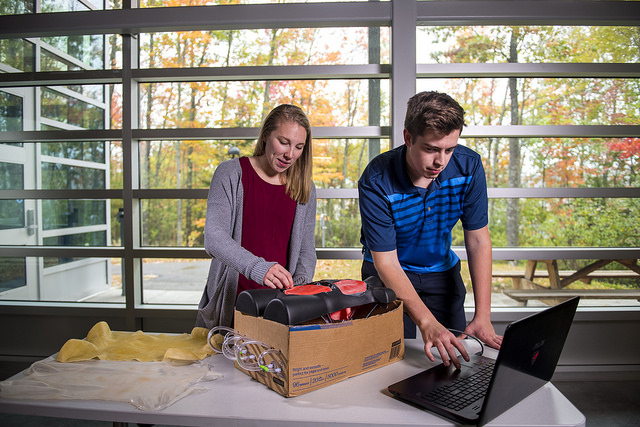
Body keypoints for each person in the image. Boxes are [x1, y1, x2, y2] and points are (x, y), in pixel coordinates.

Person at [358, 91, 502, 369]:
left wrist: (483, 315)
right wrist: (426, 322)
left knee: (452, 362)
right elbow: (386, 261)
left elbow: (478, 240)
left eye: (449, 149)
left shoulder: (469, 166)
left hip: (441, 275)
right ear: (408, 137)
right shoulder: (376, 179)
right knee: (384, 365)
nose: (441, 161)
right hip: (386, 273)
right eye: (432, 149)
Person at [196, 104, 317, 329]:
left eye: (299, 147)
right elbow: (214, 237)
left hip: (279, 308)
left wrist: (298, 292)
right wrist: (259, 269)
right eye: (283, 142)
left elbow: (306, 251)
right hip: (231, 301)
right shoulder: (231, 173)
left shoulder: (305, 187)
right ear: (265, 137)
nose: (290, 155)